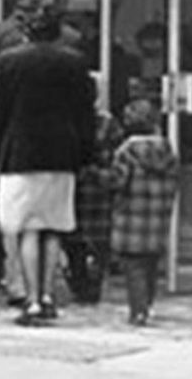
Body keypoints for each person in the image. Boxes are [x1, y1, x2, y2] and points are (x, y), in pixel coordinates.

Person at [0, 0, 96, 326]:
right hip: (62, 153)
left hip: (20, 153)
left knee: (28, 227)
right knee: (54, 227)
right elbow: (85, 112)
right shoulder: (75, 60)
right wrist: (86, 154)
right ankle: (48, 295)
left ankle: (30, 300)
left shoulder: (9, 61)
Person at [108, 98, 180, 326]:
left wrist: (97, 176)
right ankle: (147, 305)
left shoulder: (125, 152)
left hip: (132, 218)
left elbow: (117, 182)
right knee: (150, 265)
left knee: (134, 267)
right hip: (158, 218)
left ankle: (138, 311)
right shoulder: (168, 150)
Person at [62, 103, 124, 304]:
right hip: (99, 190)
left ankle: (80, 283)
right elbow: (116, 157)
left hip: (74, 187)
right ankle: (92, 284)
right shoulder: (108, 123)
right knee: (98, 242)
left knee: (73, 240)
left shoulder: (67, 119)